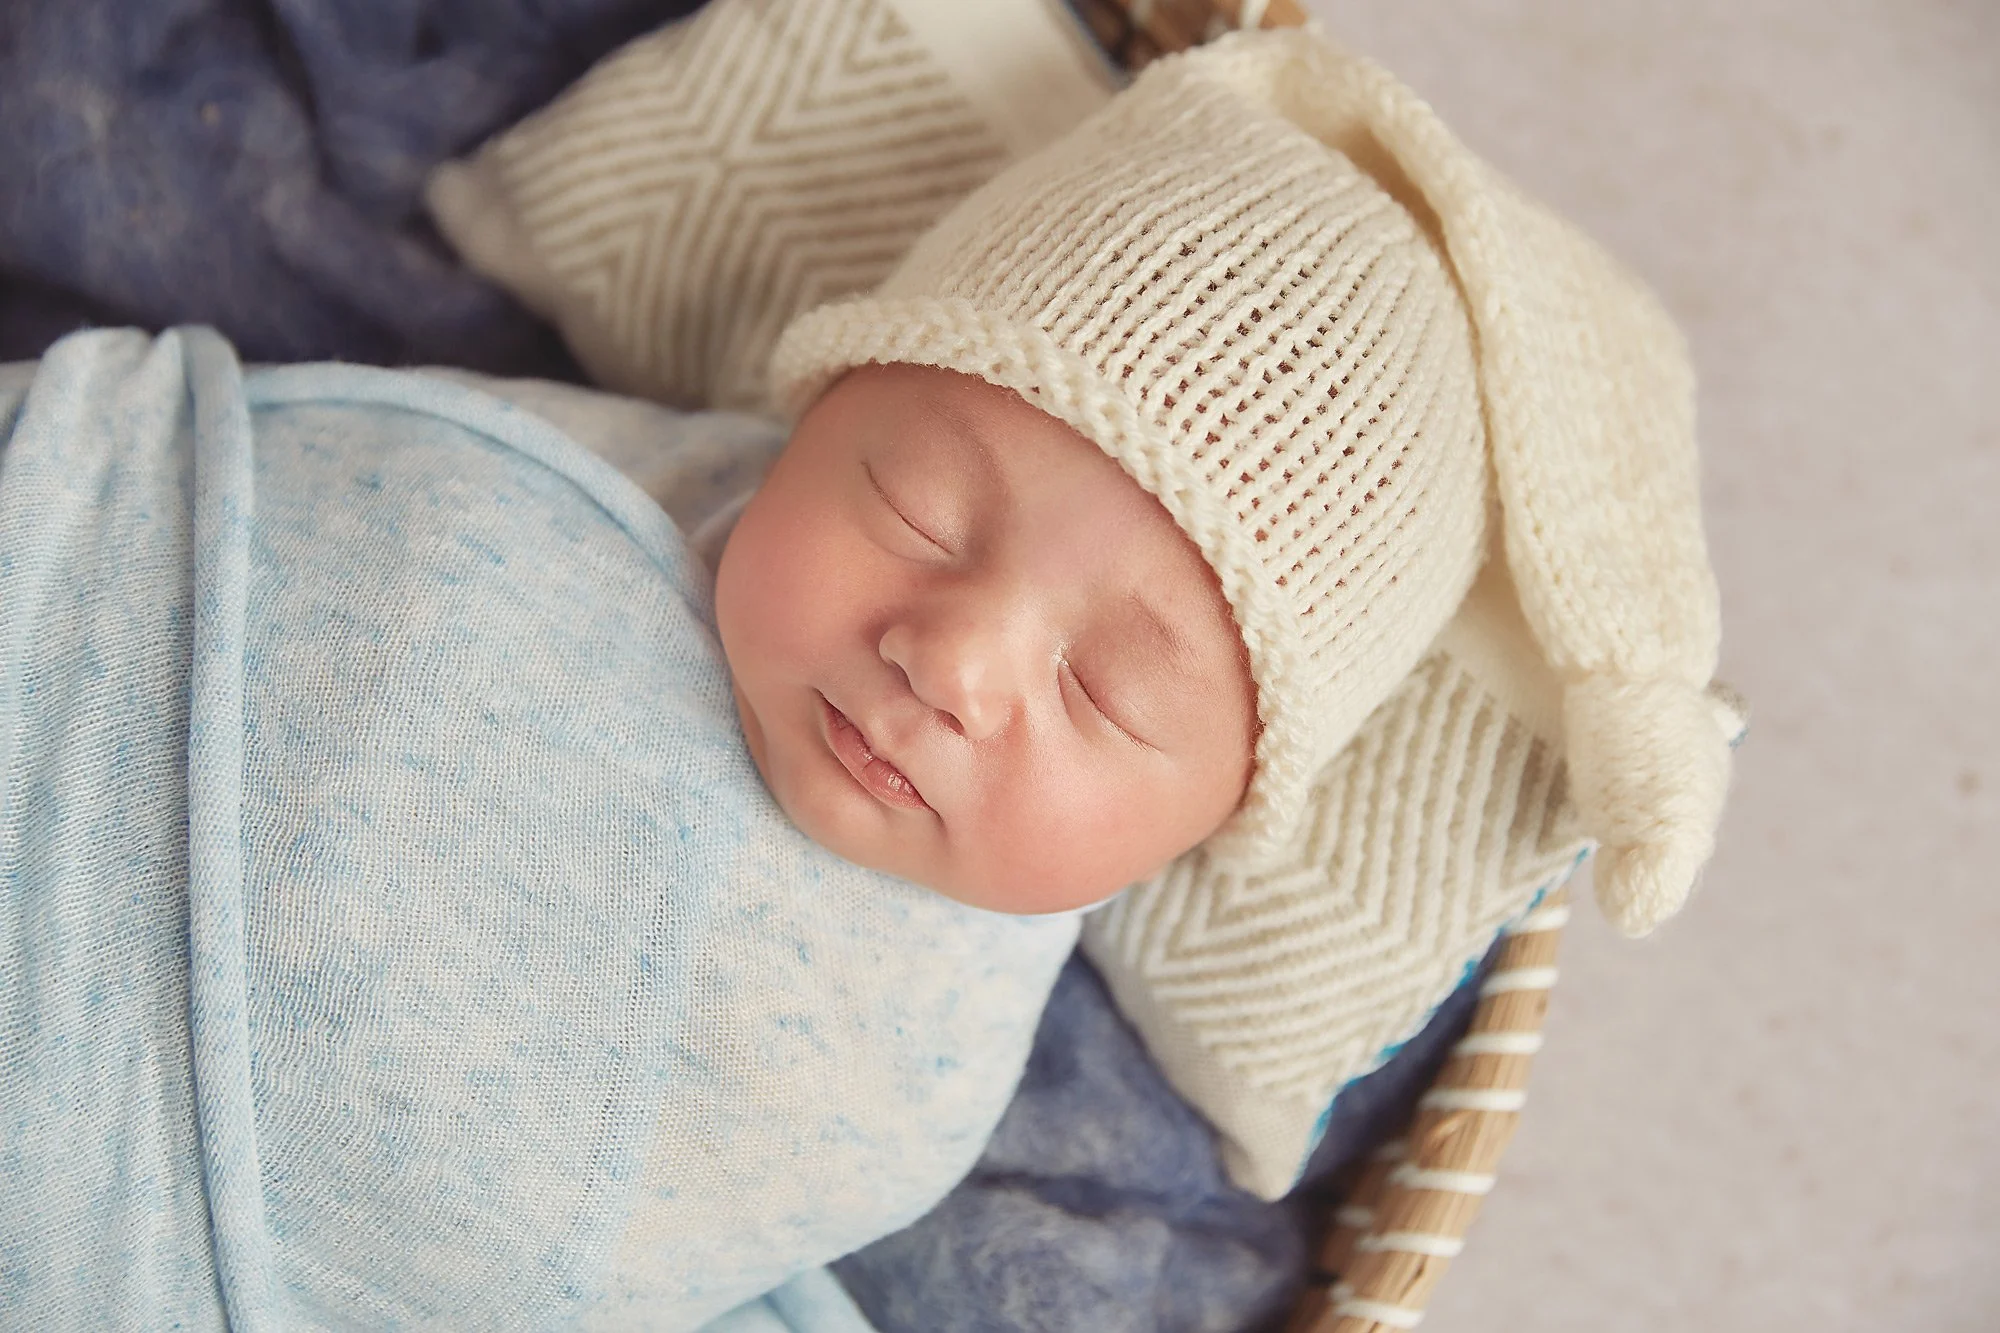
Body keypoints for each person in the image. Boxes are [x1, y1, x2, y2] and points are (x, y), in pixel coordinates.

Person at [0, 28, 1731, 1331]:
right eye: (911, 501)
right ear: (812, 409)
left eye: (1114, 697)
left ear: (1198, 826)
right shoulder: (616, 485)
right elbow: (170, 504)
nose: (960, 657)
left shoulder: (936, 1077)